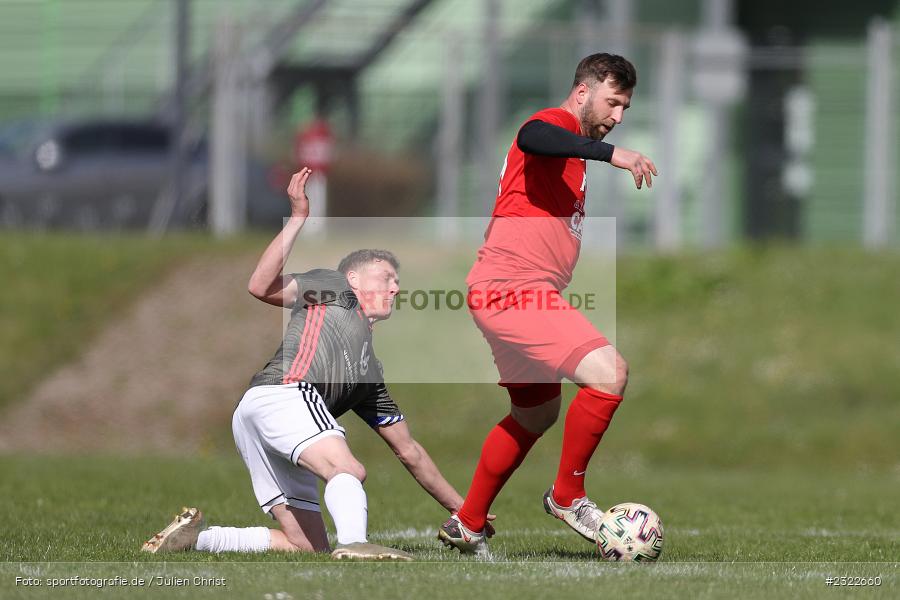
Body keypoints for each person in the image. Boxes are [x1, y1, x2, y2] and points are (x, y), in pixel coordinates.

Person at [143, 168, 471, 560]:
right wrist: (298, 219)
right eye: (386, 276)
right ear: (354, 277)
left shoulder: (369, 376)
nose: (396, 287)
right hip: (284, 394)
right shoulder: (334, 288)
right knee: (347, 469)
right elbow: (260, 286)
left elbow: (410, 452)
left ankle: (195, 539)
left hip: (260, 412)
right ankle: (355, 545)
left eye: (397, 281)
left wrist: (466, 511)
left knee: (307, 546)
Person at [438, 53, 658, 555]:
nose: (617, 116)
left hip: (509, 288)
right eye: (613, 102)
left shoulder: (573, 152)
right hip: (513, 288)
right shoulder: (556, 125)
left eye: (625, 108)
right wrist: (613, 154)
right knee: (610, 374)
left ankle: (467, 522)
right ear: (583, 92)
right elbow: (532, 135)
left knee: (535, 415)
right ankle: (568, 494)